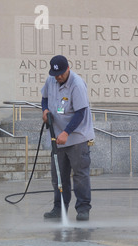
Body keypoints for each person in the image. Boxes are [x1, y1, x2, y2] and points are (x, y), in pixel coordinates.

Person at [41, 55, 95, 221]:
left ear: (68, 68)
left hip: (77, 137)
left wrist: (66, 132)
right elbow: (44, 99)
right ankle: (59, 207)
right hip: (57, 137)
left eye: (61, 73)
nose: (58, 77)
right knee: (58, 175)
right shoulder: (51, 80)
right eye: (56, 74)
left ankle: (83, 208)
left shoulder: (77, 84)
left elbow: (80, 113)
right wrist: (44, 111)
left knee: (80, 174)